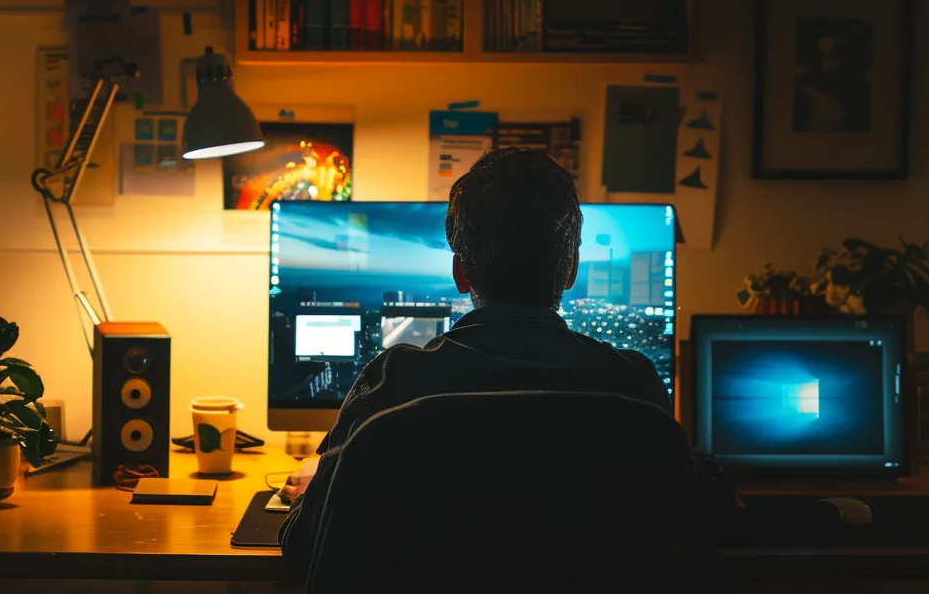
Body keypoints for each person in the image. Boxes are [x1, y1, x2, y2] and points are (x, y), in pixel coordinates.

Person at [276, 148, 733, 579]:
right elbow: (703, 517)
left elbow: (305, 551)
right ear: (570, 269)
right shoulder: (630, 385)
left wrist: (314, 494)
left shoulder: (394, 383)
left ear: (460, 272)